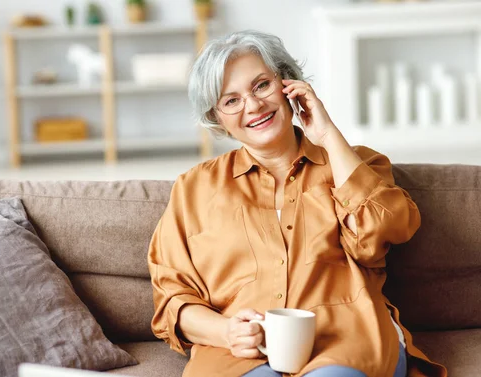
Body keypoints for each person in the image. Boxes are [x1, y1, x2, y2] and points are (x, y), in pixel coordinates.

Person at [147, 30, 447, 377]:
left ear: (288, 84)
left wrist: (327, 135)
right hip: (236, 355)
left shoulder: (359, 165)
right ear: (218, 119)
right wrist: (227, 332)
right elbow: (173, 298)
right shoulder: (193, 189)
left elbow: (383, 230)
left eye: (261, 85)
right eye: (231, 101)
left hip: (345, 341)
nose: (254, 106)